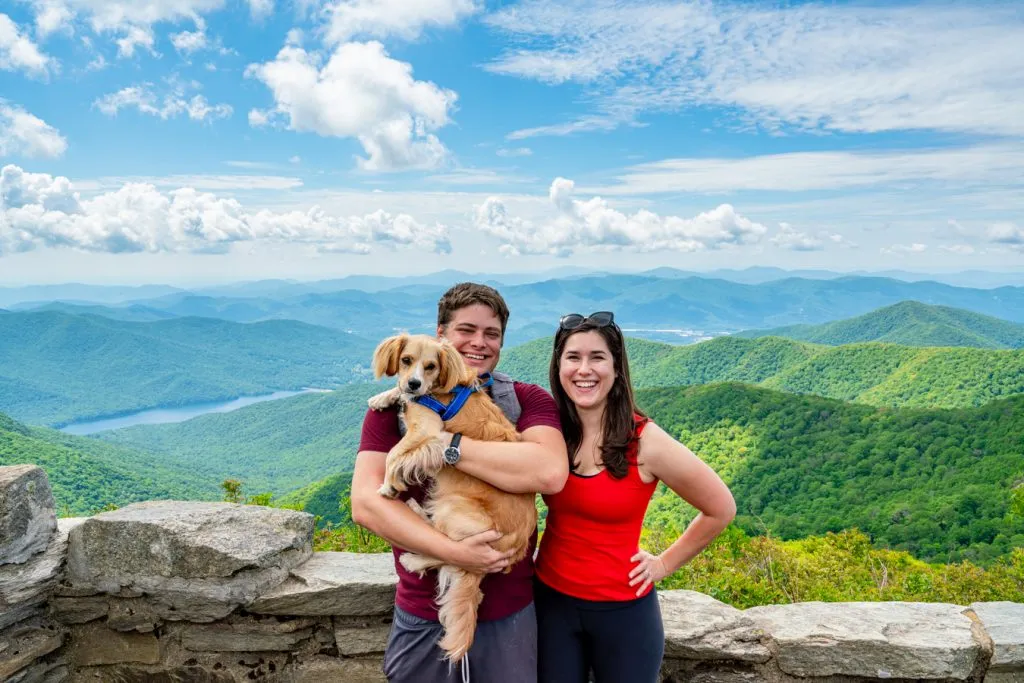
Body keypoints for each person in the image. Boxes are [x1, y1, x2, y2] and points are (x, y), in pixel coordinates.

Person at [352, 282, 569, 683]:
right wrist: (456, 552)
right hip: (421, 610)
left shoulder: (527, 400)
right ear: (441, 336)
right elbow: (367, 504)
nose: (479, 343)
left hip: (510, 612)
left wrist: (446, 445)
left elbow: (549, 473)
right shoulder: (390, 409)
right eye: (466, 330)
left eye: (492, 334)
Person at [534, 311, 737, 683]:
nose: (584, 369)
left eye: (597, 357)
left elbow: (721, 508)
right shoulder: (552, 433)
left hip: (623, 614)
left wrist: (663, 564)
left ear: (616, 368)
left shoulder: (645, 440)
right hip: (550, 602)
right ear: (558, 366)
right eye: (573, 357)